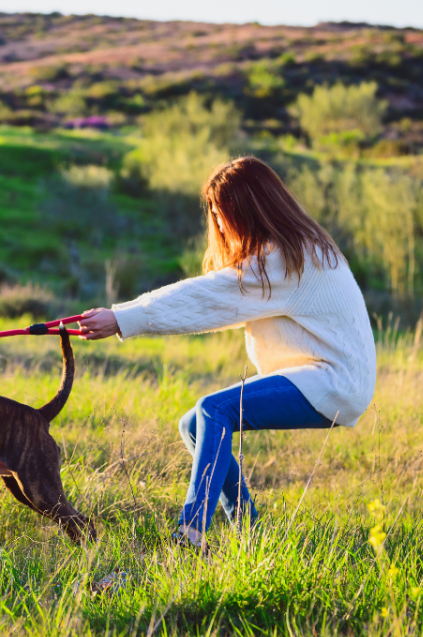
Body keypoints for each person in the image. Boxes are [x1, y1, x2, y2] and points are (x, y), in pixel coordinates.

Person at [78, 157, 376, 551]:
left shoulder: (286, 260)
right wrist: (122, 317)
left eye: (222, 214)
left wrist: (121, 318)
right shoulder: (292, 249)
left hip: (334, 381)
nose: (217, 225)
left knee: (213, 409)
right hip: (319, 374)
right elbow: (213, 297)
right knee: (194, 424)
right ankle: (250, 532)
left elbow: (204, 297)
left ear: (248, 209)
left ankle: (191, 532)